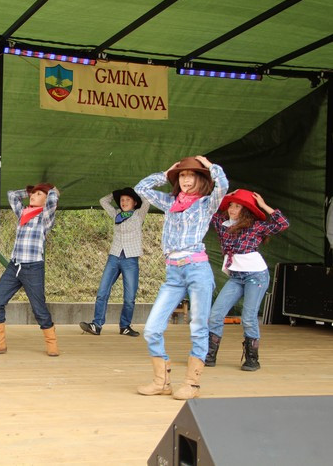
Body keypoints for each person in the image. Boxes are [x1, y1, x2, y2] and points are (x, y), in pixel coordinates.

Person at [134, 156, 228, 400]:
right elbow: (140, 189)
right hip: (173, 272)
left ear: (201, 179)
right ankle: (161, 382)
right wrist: (165, 174)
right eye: (182, 175)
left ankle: (192, 384)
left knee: (198, 327)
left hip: (197, 268)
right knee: (152, 329)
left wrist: (209, 165)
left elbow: (223, 185)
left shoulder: (206, 203)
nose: (186, 179)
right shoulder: (170, 202)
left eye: (191, 175)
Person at [206, 189, 289, 371]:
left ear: (245, 210)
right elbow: (207, 207)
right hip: (236, 277)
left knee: (248, 317)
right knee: (215, 315)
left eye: (237, 206)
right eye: (231, 205)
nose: (232, 209)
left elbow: (282, 223)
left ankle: (252, 359)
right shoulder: (222, 224)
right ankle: (210, 355)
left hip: (256, 275)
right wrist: (225, 193)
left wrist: (263, 205)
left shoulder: (255, 226)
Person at [0, 183, 60, 357]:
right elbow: (11, 195)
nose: (34, 196)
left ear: (46, 199)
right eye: (33, 194)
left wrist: (52, 191)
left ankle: (51, 342)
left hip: (33, 267)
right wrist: (29, 191)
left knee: (38, 308)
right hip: (14, 266)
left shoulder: (45, 217)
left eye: (39, 194)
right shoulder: (23, 213)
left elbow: (53, 202)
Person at [79, 187, 149, 337]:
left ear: (135, 203)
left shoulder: (139, 214)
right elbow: (103, 201)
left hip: (130, 259)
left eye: (128, 199)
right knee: (102, 292)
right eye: (122, 200)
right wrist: (114, 194)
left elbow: (147, 201)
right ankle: (96, 325)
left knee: (129, 298)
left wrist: (137, 191)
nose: (124, 202)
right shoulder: (116, 214)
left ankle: (125, 326)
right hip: (114, 256)